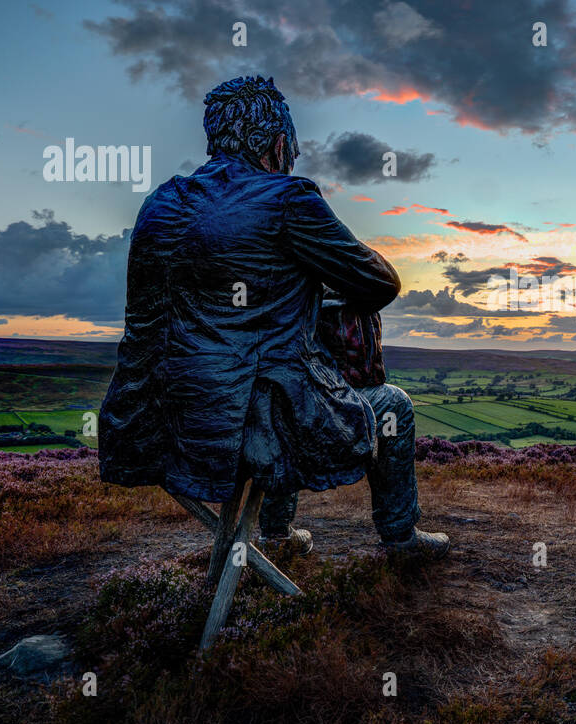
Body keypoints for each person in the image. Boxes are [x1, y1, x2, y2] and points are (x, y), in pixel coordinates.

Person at [98, 74, 449, 558]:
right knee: (386, 405)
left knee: (277, 379)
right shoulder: (288, 200)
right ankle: (401, 540)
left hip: (152, 425)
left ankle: (277, 538)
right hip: (245, 428)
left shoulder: (158, 204)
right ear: (279, 143)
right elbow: (379, 283)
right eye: (292, 152)